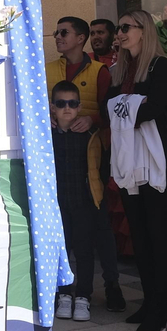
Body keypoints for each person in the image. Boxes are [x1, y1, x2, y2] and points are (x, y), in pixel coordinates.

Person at [46, 16, 124, 310]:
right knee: (67, 229)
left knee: (100, 227)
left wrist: (93, 119)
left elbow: (111, 110)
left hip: (95, 154)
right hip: (60, 154)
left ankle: (111, 285)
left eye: (63, 32)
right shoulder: (48, 69)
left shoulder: (100, 71)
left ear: (80, 38)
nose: (57, 36)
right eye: (56, 31)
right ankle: (64, 290)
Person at [107, 9, 167, 331]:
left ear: (143, 30)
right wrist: (134, 104)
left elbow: (155, 108)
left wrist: (126, 106)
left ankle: (160, 306)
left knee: (157, 232)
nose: (119, 33)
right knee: (138, 232)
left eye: (125, 27)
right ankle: (149, 301)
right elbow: (110, 106)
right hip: (128, 156)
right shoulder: (120, 69)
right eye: (118, 28)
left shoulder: (159, 65)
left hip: (154, 155)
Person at [52, 81, 104, 322]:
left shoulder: (89, 135)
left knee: (84, 251)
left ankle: (83, 296)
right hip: (57, 202)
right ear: (53, 107)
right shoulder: (47, 135)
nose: (67, 108)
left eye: (72, 104)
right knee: (60, 249)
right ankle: (63, 294)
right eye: (61, 103)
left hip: (84, 201)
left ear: (79, 107)